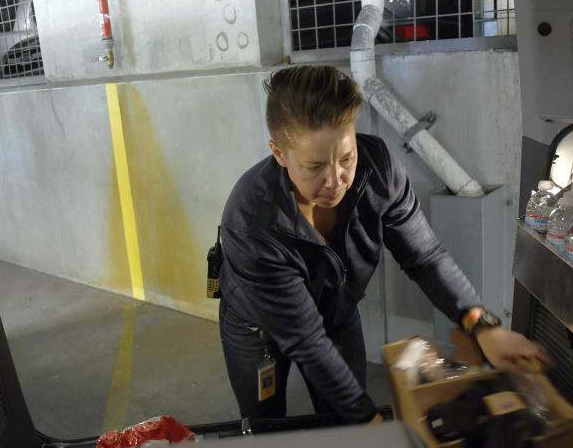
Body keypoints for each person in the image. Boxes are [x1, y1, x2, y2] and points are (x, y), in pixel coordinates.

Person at [218, 65, 547, 424]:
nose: (336, 181)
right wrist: (367, 419)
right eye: (314, 167)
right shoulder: (251, 219)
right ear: (279, 154)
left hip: (336, 314)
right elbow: (306, 341)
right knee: (265, 426)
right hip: (257, 331)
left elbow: (425, 257)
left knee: (344, 426)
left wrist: (483, 325)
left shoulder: (378, 170)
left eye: (346, 158)